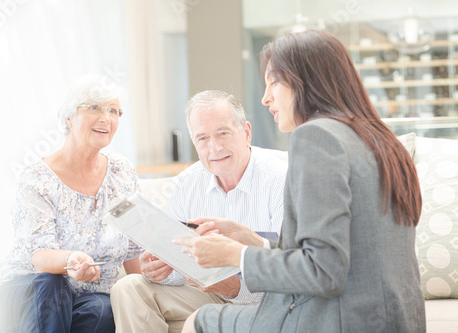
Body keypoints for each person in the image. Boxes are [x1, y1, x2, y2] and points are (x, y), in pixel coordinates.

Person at [175, 30, 425, 332]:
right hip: (395, 320)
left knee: (197, 321)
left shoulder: (317, 137)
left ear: (305, 81)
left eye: (273, 82)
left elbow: (323, 272)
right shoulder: (379, 139)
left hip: (339, 320)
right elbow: (341, 251)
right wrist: (254, 240)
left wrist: (234, 254)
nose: (266, 97)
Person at [110, 90, 287, 332]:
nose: (214, 147)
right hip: (207, 293)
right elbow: (178, 266)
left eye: (222, 133)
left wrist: (236, 288)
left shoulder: (280, 180)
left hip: (266, 299)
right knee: (128, 287)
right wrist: (160, 269)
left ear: (246, 132)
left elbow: (291, 271)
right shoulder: (186, 183)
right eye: (202, 138)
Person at [0, 74, 142, 333]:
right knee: (53, 283)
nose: (106, 117)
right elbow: (39, 257)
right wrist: (72, 259)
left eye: (114, 110)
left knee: (103, 312)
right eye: (94, 107)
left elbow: (133, 247)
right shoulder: (37, 179)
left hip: (88, 295)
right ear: (68, 117)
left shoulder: (122, 172)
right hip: (28, 287)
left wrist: (143, 293)